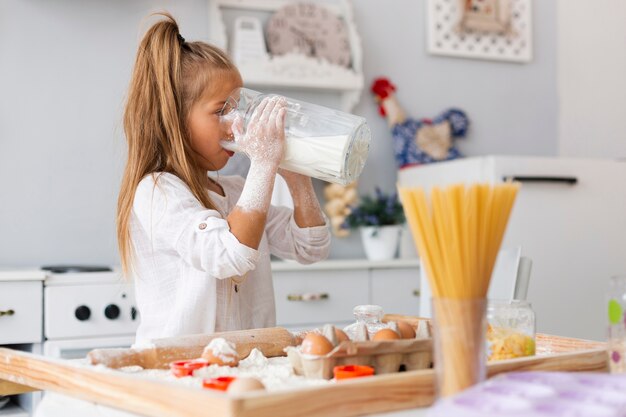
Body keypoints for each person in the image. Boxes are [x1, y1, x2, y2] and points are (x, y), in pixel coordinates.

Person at [116, 13, 330, 343]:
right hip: (178, 373)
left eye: (238, 109)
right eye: (221, 111)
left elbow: (310, 248)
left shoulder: (237, 191)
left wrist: (296, 177)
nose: (236, 125)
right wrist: (261, 164)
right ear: (175, 118)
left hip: (240, 367)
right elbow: (230, 255)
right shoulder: (157, 191)